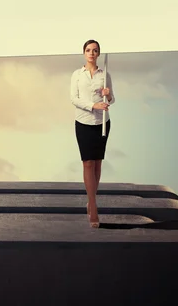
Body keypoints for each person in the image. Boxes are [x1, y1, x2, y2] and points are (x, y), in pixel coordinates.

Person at [70, 39, 114, 228]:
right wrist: (93, 105)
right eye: (88, 50)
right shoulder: (76, 75)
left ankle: (90, 200)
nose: (91, 53)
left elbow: (112, 99)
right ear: (84, 53)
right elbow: (74, 98)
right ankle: (94, 206)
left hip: (102, 123)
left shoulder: (104, 75)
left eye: (95, 50)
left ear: (98, 54)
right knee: (87, 163)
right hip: (83, 123)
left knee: (97, 164)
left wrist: (108, 94)